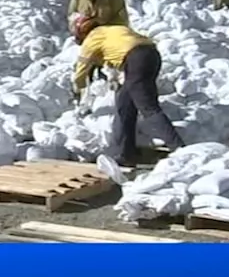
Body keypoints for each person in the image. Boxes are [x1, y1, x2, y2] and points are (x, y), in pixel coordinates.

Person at [72, 18, 184, 167]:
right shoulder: (113, 29)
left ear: (81, 32)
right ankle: (126, 155)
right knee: (124, 106)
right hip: (151, 55)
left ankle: (180, 150)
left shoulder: (93, 37)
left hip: (135, 60)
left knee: (148, 108)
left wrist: (77, 88)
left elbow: (82, 67)